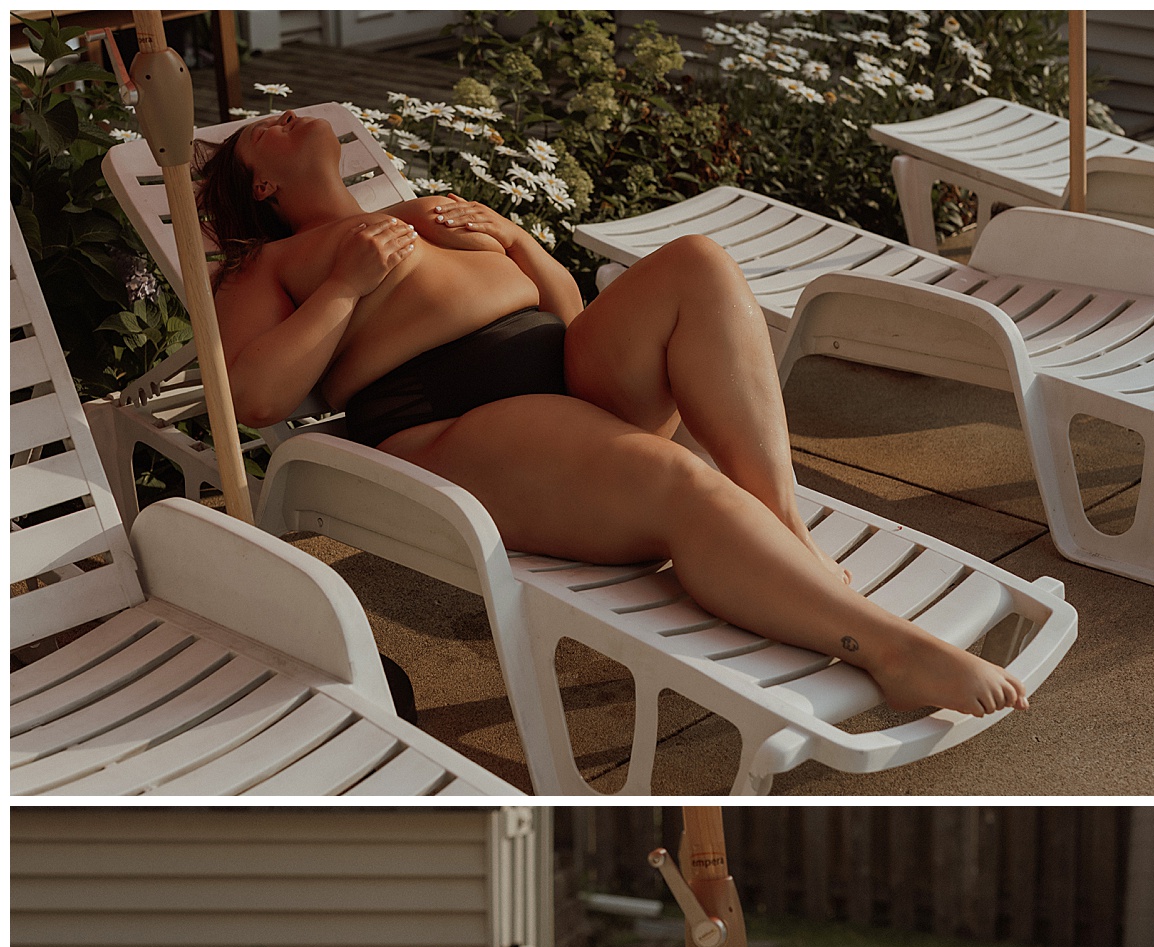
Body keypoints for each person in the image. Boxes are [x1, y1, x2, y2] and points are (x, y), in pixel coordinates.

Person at [194, 109, 1031, 720]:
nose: (290, 114)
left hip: (565, 366)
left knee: (698, 261)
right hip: (461, 421)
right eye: (266, 129)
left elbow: (560, 306)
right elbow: (257, 398)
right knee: (677, 479)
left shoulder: (423, 211)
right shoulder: (265, 267)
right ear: (263, 185)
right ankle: (884, 647)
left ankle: (781, 526)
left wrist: (517, 239)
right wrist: (346, 284)